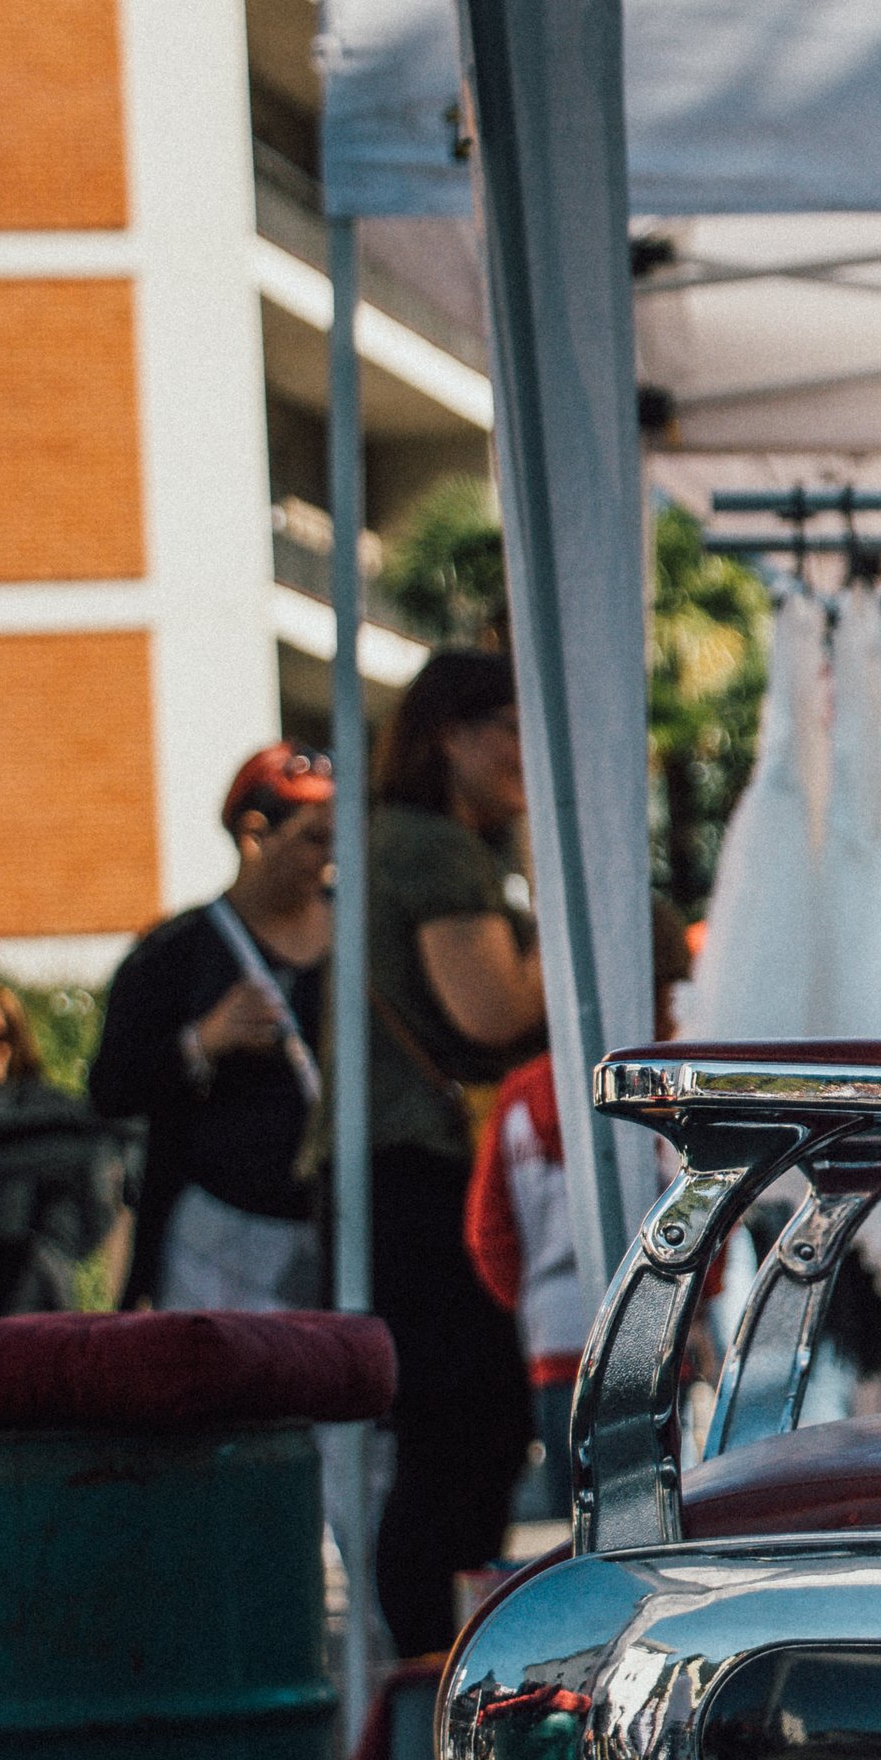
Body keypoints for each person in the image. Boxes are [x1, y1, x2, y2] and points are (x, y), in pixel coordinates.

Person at [360, 649, 547, 1655]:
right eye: (510, 727)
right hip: (426, 1166)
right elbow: (490, 1010)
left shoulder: (399, 840)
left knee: (450, 1432)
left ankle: (429, 1655)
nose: (527, 750)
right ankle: (435, 1662)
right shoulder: (434, 850)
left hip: (396, 1164)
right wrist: (577, 936)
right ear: (451, 736)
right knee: (466, 1427)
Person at [466, 897, 690, 1522]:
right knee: (657, 1505)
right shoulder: (667, 1090)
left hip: (555, 1336)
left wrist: (530, 1300)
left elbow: (488, 1232)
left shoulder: (519, 1096)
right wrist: (703, 1296)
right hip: (660, 1332)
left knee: (579, 1510)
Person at [89, 744, 334, 1314]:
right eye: (314, 838)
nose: (330, 858)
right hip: (220, 1232)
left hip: (345, 1217)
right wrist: (203, 1042)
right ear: (254, 835)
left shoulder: (361, 933)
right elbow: (110, 1089)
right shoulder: (176, 951)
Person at [0, 984, 119, 1317]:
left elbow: (93, 1189)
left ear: (16, 1041)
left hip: (28, 1296)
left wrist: (50, 1250)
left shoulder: (49, 1115)